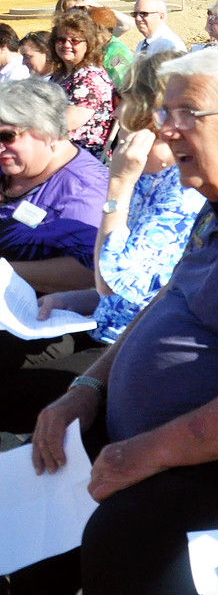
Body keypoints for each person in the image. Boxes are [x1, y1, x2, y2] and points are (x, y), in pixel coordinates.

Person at [5, 50, 218, 595]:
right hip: (150, 441)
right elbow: (165, 305)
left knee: (121, 543)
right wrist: (87, 388)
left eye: (187, 113)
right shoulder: (216, 204)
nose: (166, 128)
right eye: (165, 112)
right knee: (30, 497)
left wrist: (150, 451)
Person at [18, 52, 207, 400]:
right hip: (107, 324)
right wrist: (69, 299)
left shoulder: (182, 188)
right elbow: (109, 290)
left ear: (150, 111)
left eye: (125, 100)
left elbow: (113, 282)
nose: (117, 111)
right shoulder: (148, 175)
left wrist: (118, 184)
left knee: (15, 390)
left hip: (137, 346)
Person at [0, 77, 108, 381]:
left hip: (38, 315)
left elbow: (91, 272)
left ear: (48, 132)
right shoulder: (14, 165)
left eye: (8, 135)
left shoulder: (83, 191)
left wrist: (7, 272)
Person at [50, 8, 117, 156]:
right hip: (57, 152)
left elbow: (64, 123)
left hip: (82, 157)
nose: (67, 45)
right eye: (61, 40)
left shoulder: (90, 78)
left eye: (74, 41)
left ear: (89, 44)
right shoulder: (60, 75)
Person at [81, 5, 134, 88]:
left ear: (98, 26)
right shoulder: (101, 47)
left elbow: (122, 85)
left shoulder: (116, 51)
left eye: (86, 26)